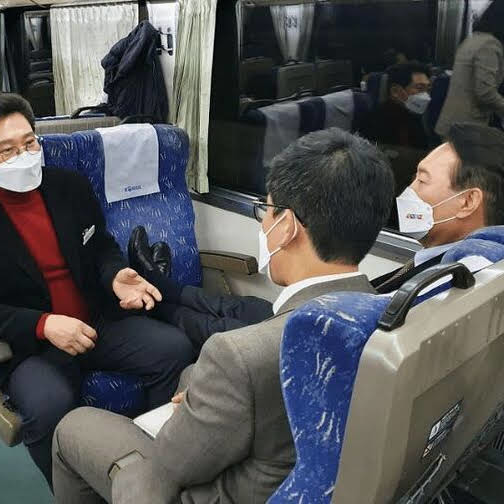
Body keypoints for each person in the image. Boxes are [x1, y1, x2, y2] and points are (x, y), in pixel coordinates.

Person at [52, 127, 395, 504]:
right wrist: (209, 396)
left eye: (266, 211)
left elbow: (171, 465)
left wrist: (193, 414)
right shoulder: (387, 313)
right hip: (289, 467)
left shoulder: (238, 356)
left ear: (287, 227)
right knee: (191, 373)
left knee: (75, 427)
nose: (263, 223)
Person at [0, 93, 197, 488]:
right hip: (31, 343)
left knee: (173, 349)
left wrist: (115, 275)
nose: (23, 157)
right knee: (49, 406)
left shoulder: (68, 186)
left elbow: (100, 246)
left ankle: (155, 464)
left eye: (29, 143)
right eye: (6, 151)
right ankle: (73, 491)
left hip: (94, 320)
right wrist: (43, 325)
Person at [373, 122, 504, 293]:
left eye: (422, 181)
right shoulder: (434, 264)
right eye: (414, 178)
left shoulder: (450, 281)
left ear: (468, 202)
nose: (410, 190)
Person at [436, 1, 504, 138]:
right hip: (467, 127)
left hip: (454, 122)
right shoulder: (490, 45)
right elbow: (485, 93)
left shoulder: (473, 40)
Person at [361, 62, 432, 150]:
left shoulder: (415, 117)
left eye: (428, 89)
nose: (426, 96)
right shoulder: (376, 120)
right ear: (395, 91)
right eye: (419, 88)